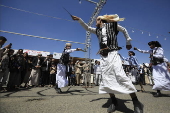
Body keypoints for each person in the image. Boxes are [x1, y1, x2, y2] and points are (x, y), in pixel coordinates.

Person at [72, 14, 143, 113]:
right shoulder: (97, 30)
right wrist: (79, 20)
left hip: (113, 54)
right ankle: (114, 102)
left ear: (101, 20)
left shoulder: (112, 26)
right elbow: (87, 28)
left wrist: (128, 42)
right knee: (106, 78)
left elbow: (124, 30)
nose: (95, 21)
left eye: (97, 20)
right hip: (104, 57)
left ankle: (136, 102)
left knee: (120, 75)